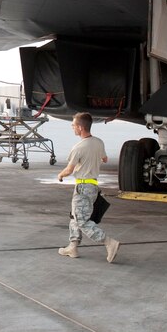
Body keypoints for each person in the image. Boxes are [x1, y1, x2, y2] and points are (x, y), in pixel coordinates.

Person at [56, 112, 120, 263]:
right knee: (75, 216)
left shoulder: (78, 147)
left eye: (73, 125)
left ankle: (109, 242)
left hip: (83, 187)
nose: (72, 128)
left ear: (80, 127)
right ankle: (73, 247)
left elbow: (69, 170)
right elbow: (104, 159)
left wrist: (60, 175)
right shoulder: (99, 142)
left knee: (82, 221)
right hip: (93, 186)